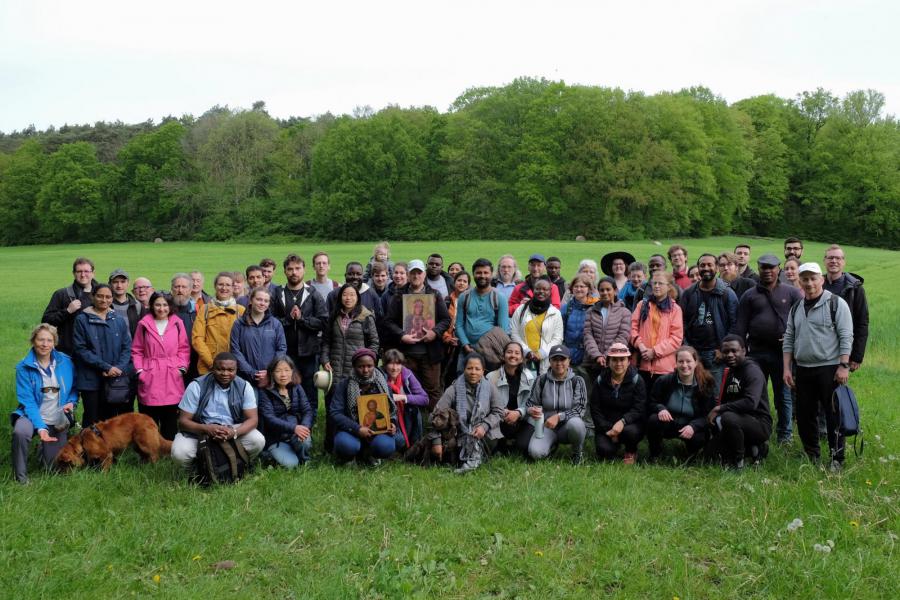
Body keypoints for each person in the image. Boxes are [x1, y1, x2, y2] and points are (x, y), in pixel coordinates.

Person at [783, 262, 854, 471]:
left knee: (833, 416)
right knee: (805, 415)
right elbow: (789, 338)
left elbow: (846, 336)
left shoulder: (836, 303)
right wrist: (787, 368)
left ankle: (836, 458)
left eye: (813, 278)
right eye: (805, 279)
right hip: (803, 369)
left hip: (830, 369)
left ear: (821, 280)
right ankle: (811, 453)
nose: (809, 283)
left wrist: (844, 366)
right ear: (800, 282)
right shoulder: (796, 307)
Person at [732, 254, 803, 445]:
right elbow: (740, 326)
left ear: (778, 269)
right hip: (756, 353)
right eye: (764, 267)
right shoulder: (749, 295)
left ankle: (785, 435)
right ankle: (757, 431)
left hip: (783, 354)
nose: (768, 271)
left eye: (772, 267)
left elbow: (803, 321)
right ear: (759, 268)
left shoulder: (791, 293)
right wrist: (739, 351)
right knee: (755, 394)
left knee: (784, 395)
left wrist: (793, 338)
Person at [171, 352, 265, 471]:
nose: (225, 373)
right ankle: (196, 472)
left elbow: (253, 420)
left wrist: (234, 432)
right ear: (212, 368)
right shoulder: (197, 386)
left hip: (231, 428)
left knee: (258, 440)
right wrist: (207, 429)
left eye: (230, 370)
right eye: (220, 369)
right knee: (180, 452)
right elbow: (183, 422)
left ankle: (241, 464)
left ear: (237, 370)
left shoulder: (244, 386)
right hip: (201, 430)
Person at [12, 324, 78, 484]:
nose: (45, 344)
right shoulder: (23, 367)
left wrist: (71, 402)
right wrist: (40, 427)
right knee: (20, 432)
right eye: (41, 339)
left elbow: (74, 389)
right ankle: (20, 477)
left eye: (49, 340)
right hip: (31, 415)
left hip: (57, 419)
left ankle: (42, 450)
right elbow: (27, 401)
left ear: (54, 342)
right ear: (33, 341)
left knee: (53, 469)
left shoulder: (66, 362)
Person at [384, 259, 450, 408]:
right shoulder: (399, 296)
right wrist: (401, 335)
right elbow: (388, 321)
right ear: (408, 274)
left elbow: (445, 319)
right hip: (407, 353)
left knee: (433, 388)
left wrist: (435, 332)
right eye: (413, 272)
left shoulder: (435, 295)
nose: (416, 276)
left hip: (430, 352)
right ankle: (412, 422)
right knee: (408, 388)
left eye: (419, 273)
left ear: (424, 274)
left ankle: (434, 423)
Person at [270, 253, 328, 419]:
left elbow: (323, 321)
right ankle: (287, 419)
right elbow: (272, 321)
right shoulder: (277, 293)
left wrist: (302, 320)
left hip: (309, 352)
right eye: (290, 269)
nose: (294, 272)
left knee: (310, 387)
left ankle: (311, 420)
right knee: (285, 385)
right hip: (285, 353)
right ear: (285, 271)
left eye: (297, 268)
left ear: (304, 270)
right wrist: (288, 319)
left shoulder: (313, 293)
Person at [131, 291, 190, 440]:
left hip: (172, 374)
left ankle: (169, 451)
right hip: (150, 374)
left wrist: (181, 368)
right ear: (152, 305)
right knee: (149, 416)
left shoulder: (177, 323)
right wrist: (140, 371)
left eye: (165, 305)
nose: (161, 308)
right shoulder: (144, 324)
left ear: (170, 306)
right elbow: (137, 350)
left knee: (170, 416)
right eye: (158, 304)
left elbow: (184, 348)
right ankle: (150, 450)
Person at [433, 353, 505, 474]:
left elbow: (499, 411)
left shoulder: (490, 387)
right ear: (464, 369)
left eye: (477, 369)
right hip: (461, 432)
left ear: (483, 371)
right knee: (451, 446)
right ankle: (471, 459)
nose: (473, 372)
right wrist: (436, 441)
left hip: (485, 433)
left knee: (489, 440)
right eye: (469, 368)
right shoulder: (454, 388)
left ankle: (476, 459)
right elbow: (436, 413)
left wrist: (484, 426)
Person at [707, 335, 772, 470]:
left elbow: (750, 402)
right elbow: (725, 401)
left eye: (734, 351)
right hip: (736, 423)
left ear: (744, 350)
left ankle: (738, 462)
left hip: (759, 423)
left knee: (728, 417)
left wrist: (720, 408)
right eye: (725, 352)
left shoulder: (752, 370)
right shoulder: (730, 372)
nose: (730, 355)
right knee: (709, 455)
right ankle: (755, 449)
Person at [72, 284, 133, 427]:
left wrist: (118, 368)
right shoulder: (82, 320)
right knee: (92, 417)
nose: (104, 300)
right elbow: (81, 349)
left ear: (112, 299)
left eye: (108, 297)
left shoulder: (118, 320)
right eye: (100, 296)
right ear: (93, 296)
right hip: (90, 379)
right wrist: (105, 367)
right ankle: (88, 448)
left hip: (113, 378)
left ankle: (107, 448)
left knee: (109, 418)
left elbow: (127, 347)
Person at [679, 253, 738, 394]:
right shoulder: (688, 293)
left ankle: (713, 416)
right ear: (698, 268)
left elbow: (735, 324)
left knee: (715, 393)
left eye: (710, 265)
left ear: (717, 268)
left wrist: (722, 348)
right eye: (702, 265)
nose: (706, 268)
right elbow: (681, 322)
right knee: (692, 391)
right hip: (693, 352)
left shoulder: (727, 293)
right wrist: (687, 348)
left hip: (715, 354)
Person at [518, 345, 588, 464]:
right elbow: (530, 403)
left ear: (569, 361)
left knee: (577, 424)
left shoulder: (577, 381)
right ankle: (551, 446)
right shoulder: (541, 380)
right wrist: (531, 410)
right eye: (555, 359)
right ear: (549, 361)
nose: (559, 363)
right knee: (535, 453)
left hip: (568, 427)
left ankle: (577, 453)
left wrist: (558, 417)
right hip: (547, 426)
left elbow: (580, 409)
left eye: (562, 359)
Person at [328, 349, 398, 464]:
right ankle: (349, 458)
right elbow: (335, 412)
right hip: (350, 430)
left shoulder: (382, 383)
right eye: (361, 366)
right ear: (354, 366)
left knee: (386, 446)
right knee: (346, 445)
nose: (365, 370)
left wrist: (393, 423)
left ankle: (370, 454)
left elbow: (392, 410)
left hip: (377, 431)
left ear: (375, 365)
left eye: (369, 366)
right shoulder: (344, 384)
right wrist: (357, 428)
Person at [646, 346, 715, 460]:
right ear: (676, 363)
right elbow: (651, 401)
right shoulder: (664, 381)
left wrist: (694, 426)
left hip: (690, 425)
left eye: (688, 361)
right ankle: (655, 453)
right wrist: (661, 408)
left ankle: (692, 455)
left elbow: (708, 414)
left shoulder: (705, 384)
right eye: (681, 361)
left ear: (696, 362)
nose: (684, 365)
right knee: (653, 420)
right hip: (669, 423)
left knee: (700, 438)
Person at [590, 343, 646, 464]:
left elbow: (639, 408)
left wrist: (622, 422)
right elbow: (595, 408)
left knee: (630, 433)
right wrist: (609, 428)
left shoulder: (637, 380)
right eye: (614, 360)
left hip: (629, 425)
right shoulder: (600, 380)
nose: (618, 363)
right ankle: (614, 445)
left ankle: (631, 450)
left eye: (622, 359)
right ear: (608, 361)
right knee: (604, 451)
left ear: (629, 361)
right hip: (607, 426)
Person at [630, 271, 684, 391]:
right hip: (641, 364)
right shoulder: (642, 305)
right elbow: (632, 329)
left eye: (660, 283)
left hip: (664, 368)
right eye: (654, 283)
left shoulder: (675, 309)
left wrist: (654, 352)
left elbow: (676, 338)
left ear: (669, 286)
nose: (656, 286)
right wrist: (641, 346)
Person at [257, 356, 313, 467]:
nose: (283, 375)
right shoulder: (265, 391)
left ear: (292, 371)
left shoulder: (297, 387)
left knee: (305, 440)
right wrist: (294, 428)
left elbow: (307, 410)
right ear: (272, 373)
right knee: (291, 464)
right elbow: (270, 419)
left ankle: (305, 459)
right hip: (276, 438)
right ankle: (268, 455)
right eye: (278, 371)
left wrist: (304, 427)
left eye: (287, 370)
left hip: (295, 432)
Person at [229, 287, 287, 390]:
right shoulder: (239, 324)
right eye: (259, 299)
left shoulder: (275, 324)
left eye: (266, 301)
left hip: (270, 378)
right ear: (251, 300)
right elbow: (235, 350)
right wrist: (251, 372)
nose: (262, 303)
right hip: (245, 377)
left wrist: (269, 371)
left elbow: (281, 349)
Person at [823, 244, 869, 372]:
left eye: (838, 258)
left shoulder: (855, 289)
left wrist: (857, 356)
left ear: (844, 262)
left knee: (835, 389)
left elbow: (862, 323)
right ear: (824, 261)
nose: (834, 261)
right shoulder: (816, 284)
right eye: (830, 258)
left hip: (843, 349)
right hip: (819, 348)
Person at [321, 284, 379, 383]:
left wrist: (367, 363)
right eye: (345, 295)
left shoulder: (366, 317)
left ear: (357, 297)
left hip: (357, 369)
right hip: (334, 369)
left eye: (352, 295)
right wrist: (325, 359)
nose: (348, 298)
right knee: (334, 396)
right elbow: (326, 341)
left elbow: (374, 343)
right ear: (340, 297)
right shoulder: (334, 316)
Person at [41, 257, 99, 356]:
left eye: (86, 271)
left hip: (95, 352)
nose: (83, 275)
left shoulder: (102, 295)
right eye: (79, 271)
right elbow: (46, 321)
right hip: (68, 353)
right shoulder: (62, 294)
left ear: (93, 273)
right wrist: (67, 311)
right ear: (73, 273)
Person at [456, 258, 510, 363]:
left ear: (491, 274)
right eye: (479, 273)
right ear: (473, 274)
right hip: (467, 348)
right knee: (463, 376)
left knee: (490, 377)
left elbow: (502, 329)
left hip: (490, 350)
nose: (482, 276)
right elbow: (459, 324)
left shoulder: (499, 297)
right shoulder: (464, 297)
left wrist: (487, 345)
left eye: (486, 272)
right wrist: (466, 344)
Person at [487, 341, 536, 453]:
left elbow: (532, 401)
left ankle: (512, 442)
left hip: (522, 419)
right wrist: (503, 412)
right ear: (503, 356)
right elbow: (487, 402)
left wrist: (518, 413)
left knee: (523, 446)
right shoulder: (491, 377)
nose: (513, 355)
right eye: (509, 352)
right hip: (499, 419)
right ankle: (502, 442)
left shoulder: (531, 377)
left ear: (522, 358)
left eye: (517, 353)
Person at [192, 272, 245, 375]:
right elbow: (197, 339)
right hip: (208, 368)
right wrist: (212, 364)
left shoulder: (241, 311)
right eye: (220, 284)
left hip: (233, 369)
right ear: (215, 286)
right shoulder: (205, 309)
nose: (224, 288)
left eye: (228, 285)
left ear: (233, 288)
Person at [509, 278, 563, 375]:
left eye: (545, 289)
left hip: (546, 360)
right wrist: (526, 351)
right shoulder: (521, 310)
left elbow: (558, 338)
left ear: (550, 292)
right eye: (538, 289)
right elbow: (514, 332)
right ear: (533, 290)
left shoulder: (555, 313)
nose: (541, 291)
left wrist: (542, 353)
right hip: (523, 358)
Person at [381, 349, 429, 450]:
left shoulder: (407, 374)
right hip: (386, 416)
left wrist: (403, 397)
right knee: (399, 441)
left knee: (414, 409)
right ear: (385, 365)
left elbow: (424, 399)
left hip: (405, 416)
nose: (395, 368)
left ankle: (413, 444)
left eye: (398, 364)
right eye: (391, 364)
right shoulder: (379, 376)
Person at [583, 276, 632, 376]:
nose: (605, 292)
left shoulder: (624, 312)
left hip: (614, 363)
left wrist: (606, 356)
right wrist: (597, 356)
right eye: (602, 290)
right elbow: (587, 335)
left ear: (615, 290)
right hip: (592, 362)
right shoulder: (591, 311)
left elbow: (622, 336)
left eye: (608, 289)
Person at [560, 275, 598, 368]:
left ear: (588, 289)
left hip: (588, 355)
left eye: (582, 286)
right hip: (569, 354)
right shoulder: (566, 308)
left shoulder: (596, 307)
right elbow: (561, 332)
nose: (579, 289)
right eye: (576, 286)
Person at [442, 270, 471, 384]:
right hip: (448, 346)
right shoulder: (446, 301)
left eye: (465, 281)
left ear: (468, 285)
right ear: (454, 282)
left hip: (465, 344)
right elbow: (441, 323)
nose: (462, 283)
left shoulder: (472, 301)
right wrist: (448, 338)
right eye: (459, 280)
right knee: (448, 375)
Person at [170, 273, 198, 381]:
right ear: (171, 289)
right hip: (171, 365)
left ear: (190, 290)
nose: (180, 290)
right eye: (177, 287)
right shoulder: (163, 312)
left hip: (193, 364)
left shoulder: (198, 312)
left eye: (184, 287)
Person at [108, 268, 142, 337]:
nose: (119, 285)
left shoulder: (137, 306)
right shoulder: (105, 305)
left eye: (123, 282)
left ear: (128, 283)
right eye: (115, 282)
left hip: (131, 347)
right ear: (109, 284)